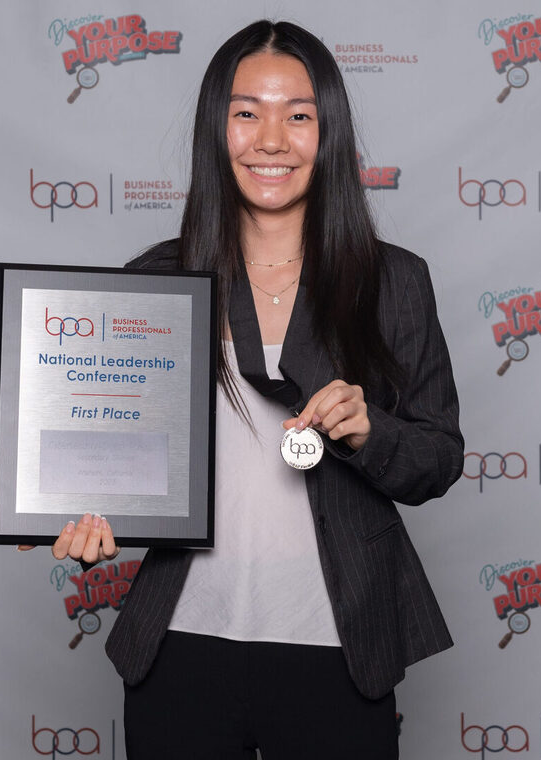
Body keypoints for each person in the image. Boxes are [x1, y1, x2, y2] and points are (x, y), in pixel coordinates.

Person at [44, 19, 463, 759]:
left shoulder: (393, 281)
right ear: (217, 130)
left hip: (340, 646)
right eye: (247, 113)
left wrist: (372, 431)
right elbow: (108, 453)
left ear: (328, 134)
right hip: (180, 643)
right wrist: (84, 515)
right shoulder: (157, 279)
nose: (272, 140)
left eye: (298, 116)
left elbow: (439, 458)